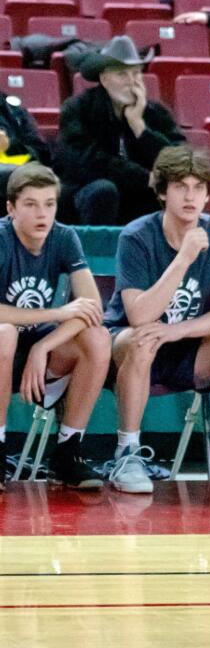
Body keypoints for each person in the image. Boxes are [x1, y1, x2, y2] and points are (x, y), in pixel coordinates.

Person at [104, 147, 210, 495]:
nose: (190, 196)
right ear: (163, 191)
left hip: (188, 346)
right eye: (180, 187)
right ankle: (127, 452)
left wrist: (177, 330)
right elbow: (140, 315)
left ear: (208, 194)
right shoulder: (137, 236)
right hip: (131, 345)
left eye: (197, 187)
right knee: (143, 336)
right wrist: (184, 258)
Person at [0, 164, 109, 491]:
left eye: (49, 204)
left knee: (97, 337)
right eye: (31, 204)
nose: (41, 213)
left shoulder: (63, 236)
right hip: (3, 347)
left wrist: (43, 346)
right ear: (11, 208)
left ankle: (67, 452)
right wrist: (58, 312)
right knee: (3, 332)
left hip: (37, 352)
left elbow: (92, 308)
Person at [56, 37, 184, 226]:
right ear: (105, 79)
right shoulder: (78, 108)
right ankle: (93, 254)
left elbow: (179, 161)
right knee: (104, 190)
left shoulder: (155, 113)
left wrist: (140, 128)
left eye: (136, 74)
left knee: (170, 192)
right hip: (85, 193)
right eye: (122, 74)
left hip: (136, 196)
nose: (131, 82)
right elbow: (84, 163)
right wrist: (144, 177)